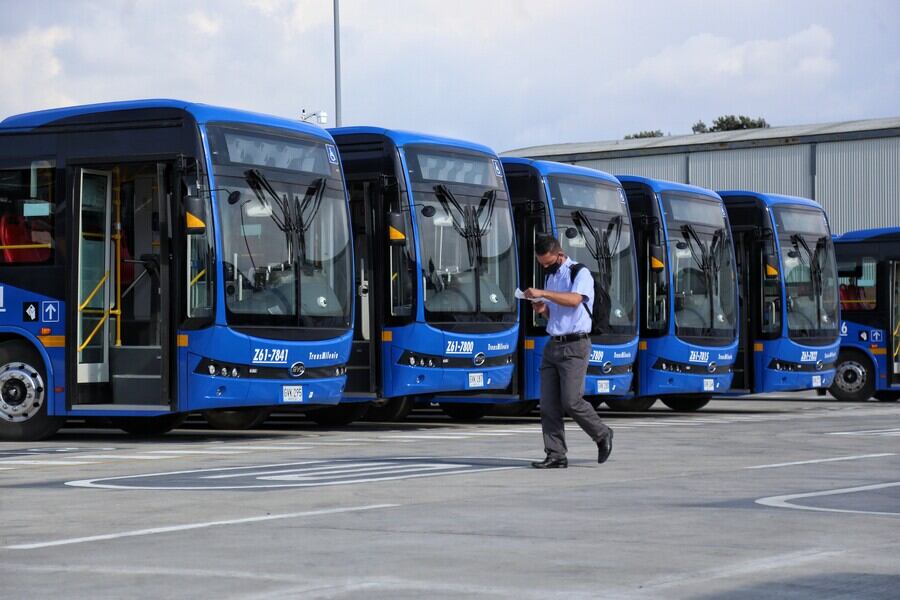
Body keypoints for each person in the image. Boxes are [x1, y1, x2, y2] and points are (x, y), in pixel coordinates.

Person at [524, 234, 613, 469]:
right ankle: (555, 454)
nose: (545, 266)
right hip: (553, 343)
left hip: (576, 345)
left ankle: (602, 433)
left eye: (548, 262)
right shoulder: (552, 277)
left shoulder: (579, 272)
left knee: (572, 400)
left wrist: (543, 293)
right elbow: (555, 315)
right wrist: (542, 307)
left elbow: (574, 300)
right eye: (541, 263)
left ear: (560, 255)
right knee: (548, 404)